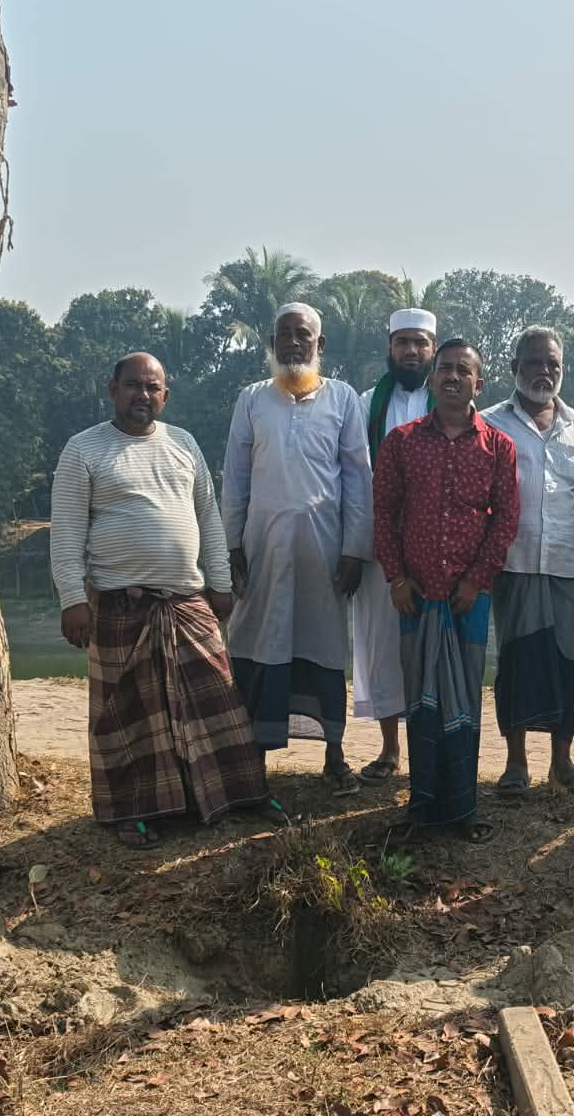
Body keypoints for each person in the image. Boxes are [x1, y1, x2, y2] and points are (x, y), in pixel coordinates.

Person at [49, 352, 279, 848]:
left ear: (165, 395)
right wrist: (73, 599)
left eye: (153, 388)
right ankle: (131, 812)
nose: (143, 396)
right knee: (128, 716)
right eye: (133, 386)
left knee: (216, 701)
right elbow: (66, 534)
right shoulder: (84, 450)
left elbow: (209, 520)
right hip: (118, 607)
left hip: (187, 602)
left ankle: (234, 794)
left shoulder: (183, 443)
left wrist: (219, 583)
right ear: (112, 390)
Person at [221, 302, 373, 796]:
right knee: (257, 648)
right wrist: (231, 546)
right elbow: (236, 479)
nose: (291, 342)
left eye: (301, 334)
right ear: (272, 342)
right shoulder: (252, 400)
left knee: (325, 649)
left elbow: (358, 480)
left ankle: (334, 757)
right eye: (282, 334)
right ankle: (254, 765)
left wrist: (354, 550)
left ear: (319, 345)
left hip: (323, 556)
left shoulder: (344, 400)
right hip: (262, 553)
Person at [373, 339, 519, 842]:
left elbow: (505, 523)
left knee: (463, 704)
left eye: (464, 371)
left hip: (468, 600)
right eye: (446, 370)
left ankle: (462, 810)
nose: (453, 377)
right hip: (415, 596)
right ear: (433, 381)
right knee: (421, 701)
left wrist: (478, 579)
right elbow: (384, 513)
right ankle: (423, 804)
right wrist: (395, 576)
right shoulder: (402, 442)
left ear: (480, 383)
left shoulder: (499, 447)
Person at [483, 327, 574, 797]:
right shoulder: (491, 423)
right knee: (514, 662)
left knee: (564, 664)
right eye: (534, 363)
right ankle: (515, 764)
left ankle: (562, 761)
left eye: (553, 364)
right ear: (515, 369)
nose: (544, 372)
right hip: (510, 564)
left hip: (567, 565)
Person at [354, 308, 439, 783]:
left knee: (431, 647)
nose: (411, 351)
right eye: (402, 342)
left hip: (435, 546)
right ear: (389, 348)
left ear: (433, 349)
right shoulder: (367, 403)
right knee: (384, 646)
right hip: (382, 548)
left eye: (420, 343)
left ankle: (431, 747)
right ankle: (390, 750)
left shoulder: (449, 400)